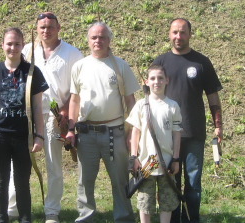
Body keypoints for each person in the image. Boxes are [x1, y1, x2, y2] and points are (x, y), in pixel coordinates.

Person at [7, 12, 83, 223]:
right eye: (42, 27)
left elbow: (79, 88)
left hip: (55, 115)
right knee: (18, 162)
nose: (46, 30)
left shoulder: (72, 54)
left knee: (53, 164)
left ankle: (52, 212)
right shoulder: (27, 50)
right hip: (28, 113)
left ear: (59, 28)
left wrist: (66, 111)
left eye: (50, 26)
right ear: (37, 29)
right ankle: (12, 209)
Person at [66, 22, 139, 223]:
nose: (98, 41)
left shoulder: (120, 66)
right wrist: (71, 129)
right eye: (94, 37)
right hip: (86, 133)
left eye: (102, 37)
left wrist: (132, 132)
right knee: (85, 181)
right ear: (88, 41)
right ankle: (85, 217)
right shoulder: (79, 66)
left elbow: (131, 102)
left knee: (120, 180)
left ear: (109, 40)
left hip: (114, 132)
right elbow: (74, 100)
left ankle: (123, 218)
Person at [153, 18, 223, 223]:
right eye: (175, 32)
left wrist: (218, 126)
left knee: (193, 182)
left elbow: (213, 97)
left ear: (190, 34)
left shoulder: (201, 62)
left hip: (193, 132)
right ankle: (173, 220)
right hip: (166, 134)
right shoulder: (160, 63)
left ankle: (192, 220)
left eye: (183, 32)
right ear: (169, 34)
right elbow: (150, 99)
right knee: (170, 182)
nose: (178, 36)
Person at [0, 27, 48, 223]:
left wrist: (39, 136)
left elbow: (37, 107)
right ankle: (1, 219)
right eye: (9, 43)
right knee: (1, 182)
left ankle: (25, 219)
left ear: (22, 46)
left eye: (17, 44)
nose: (13, 48)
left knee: (22, 183)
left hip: (23, 137)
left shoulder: (32, 73)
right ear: (2, 45)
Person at [126, 64, 182, 223]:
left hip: (166, 163)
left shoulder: (172, 106)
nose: (156, 81)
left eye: (160, 78)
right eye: (152, 78)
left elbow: (177, 134)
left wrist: (176, 159)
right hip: (146, 164)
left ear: (167, 80)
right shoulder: (140, 105)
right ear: (146, 81)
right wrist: (133, 157)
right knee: (145, 201)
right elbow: (135, 132)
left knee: (167, 200)